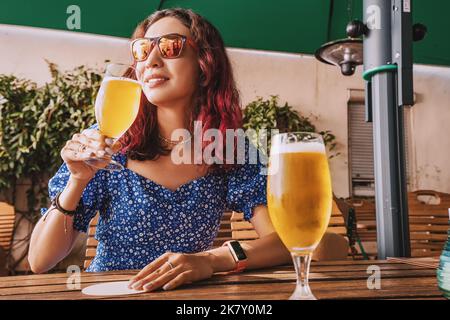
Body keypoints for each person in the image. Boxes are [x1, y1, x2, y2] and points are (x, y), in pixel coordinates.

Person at [28, 8, 291, 292]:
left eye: (170, 46)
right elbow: (40, 260)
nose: (151, 60)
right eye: (142, 49)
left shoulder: (227, 147)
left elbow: (287, 241)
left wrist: (212, 261)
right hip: (110, 294)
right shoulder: (107, 142)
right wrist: (77, 180)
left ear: (204, 67)